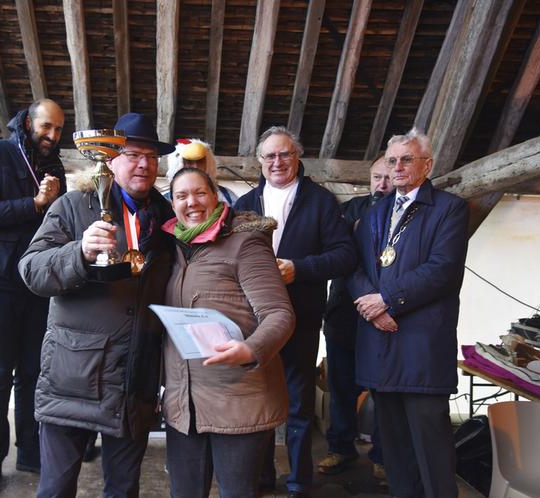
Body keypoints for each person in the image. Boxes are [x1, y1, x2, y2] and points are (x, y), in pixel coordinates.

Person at [18, 112, 175, 498]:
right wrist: (80, 253)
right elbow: (31, 270)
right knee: (55, 489)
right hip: (74, 374)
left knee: (123, 490)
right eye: (133, 154)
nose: (144, 164)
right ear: (111, 158)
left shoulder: (167, 217)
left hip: (134, 375)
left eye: (152, 157)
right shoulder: (73, 206)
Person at [234, 126, 357, 498]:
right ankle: (262, 478)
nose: (277, 162)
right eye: (269, 156)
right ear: (259, 161)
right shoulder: (245, 205)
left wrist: (298, 268)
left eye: (285, 154)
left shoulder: (320, 201)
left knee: (299, 404)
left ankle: (299, 483)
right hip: (254, 322)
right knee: (258, 402)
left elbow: (345, 255)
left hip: (301, 317)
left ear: (297, 157)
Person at [161, 168, 295, 498]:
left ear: (216, 196)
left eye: (200, 193)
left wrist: (251, 350)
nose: (191, 202)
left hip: (238, 400)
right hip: (184, 405)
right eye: (181, 196)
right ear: (172, 204)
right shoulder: (172, 248)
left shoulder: (246, 244)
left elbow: (279, 314)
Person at [349, 128, 468, 498]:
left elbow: (442, 269)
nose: (397, 167)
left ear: (427, 165)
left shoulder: (449, 208)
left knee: (432, 452)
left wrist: (386, 299)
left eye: (407, 159)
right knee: (394, 452)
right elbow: (354, 266)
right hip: (380, 343)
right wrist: (371, 307)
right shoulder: (375, 211)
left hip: (421, 348)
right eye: (392, 160)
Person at [0, 98, 66, 498]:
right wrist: (36, 203)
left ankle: (29, 450)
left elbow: (56, 224)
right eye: (46, 127)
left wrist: (54, 205)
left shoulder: (54, 167)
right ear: (26, 122)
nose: (52, 136)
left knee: (32, 372)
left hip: (36, 282)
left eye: (58, 130)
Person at [318, 155, 391, 479]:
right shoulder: (350, 210)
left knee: (382, 392)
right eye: (377, 177)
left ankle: (383, 457)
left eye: (387, 178)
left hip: (385, 317)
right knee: (341, 387)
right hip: (343, 315)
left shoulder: (408, 216)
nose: (382, 184)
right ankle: (340, 448)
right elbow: (335, 254)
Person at [166, 138, 239, 205]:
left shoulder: (229, 198)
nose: (195, 167)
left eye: (200, 161)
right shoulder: (164, 201)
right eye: (189, 162)